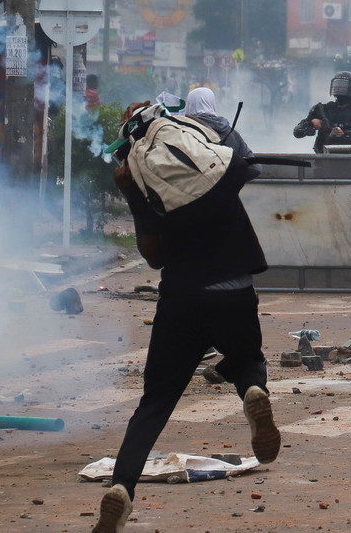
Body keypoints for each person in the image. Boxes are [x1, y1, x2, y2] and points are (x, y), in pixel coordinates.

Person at [92, 102, 281, 532]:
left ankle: (122, 486)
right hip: (234, 290)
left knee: (155, 403)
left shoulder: (140, 182)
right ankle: (251, 390)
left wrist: (130, 196)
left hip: (181, 299)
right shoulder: (211, 162)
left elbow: (153, 257)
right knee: (248, 358)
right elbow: (241, 160)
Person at [184, 86, 261, 182]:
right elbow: (256, 167)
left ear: (189, 104)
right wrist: (231, 182)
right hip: (226, 195)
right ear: (212, 104)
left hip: (193, 195)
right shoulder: (231, 133)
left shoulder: (184, 133)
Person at [293, 71, 351, 153]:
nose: (340, 88)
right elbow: (297, 132)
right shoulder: (323, 110)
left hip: (349, 160)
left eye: (343, 85)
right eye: (338, 85)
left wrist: (343, 135)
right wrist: (311, 124)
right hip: (321, 160)